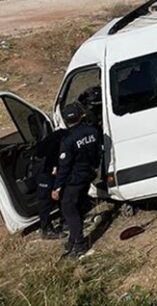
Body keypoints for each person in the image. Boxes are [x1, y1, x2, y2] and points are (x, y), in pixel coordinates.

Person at [53, 102, 101, 259]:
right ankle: (73, 240)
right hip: (88, 174)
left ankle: (79, 245)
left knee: (69, 210)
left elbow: (65, 166)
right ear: (81, 116)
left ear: (66, 121)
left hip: (74, 179)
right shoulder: (93, 131)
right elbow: (97, 153)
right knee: (78, 206)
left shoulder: (68, 139)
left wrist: (57, 187)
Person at [32, 125, 68, 240]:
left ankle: (66, 221)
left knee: (61, 194)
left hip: (48, 167)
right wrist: (55, 167)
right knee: (45, 200)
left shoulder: (61, 136)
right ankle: (46, 229)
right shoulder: (60, 139)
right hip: (43, 169)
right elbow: (51, 156)